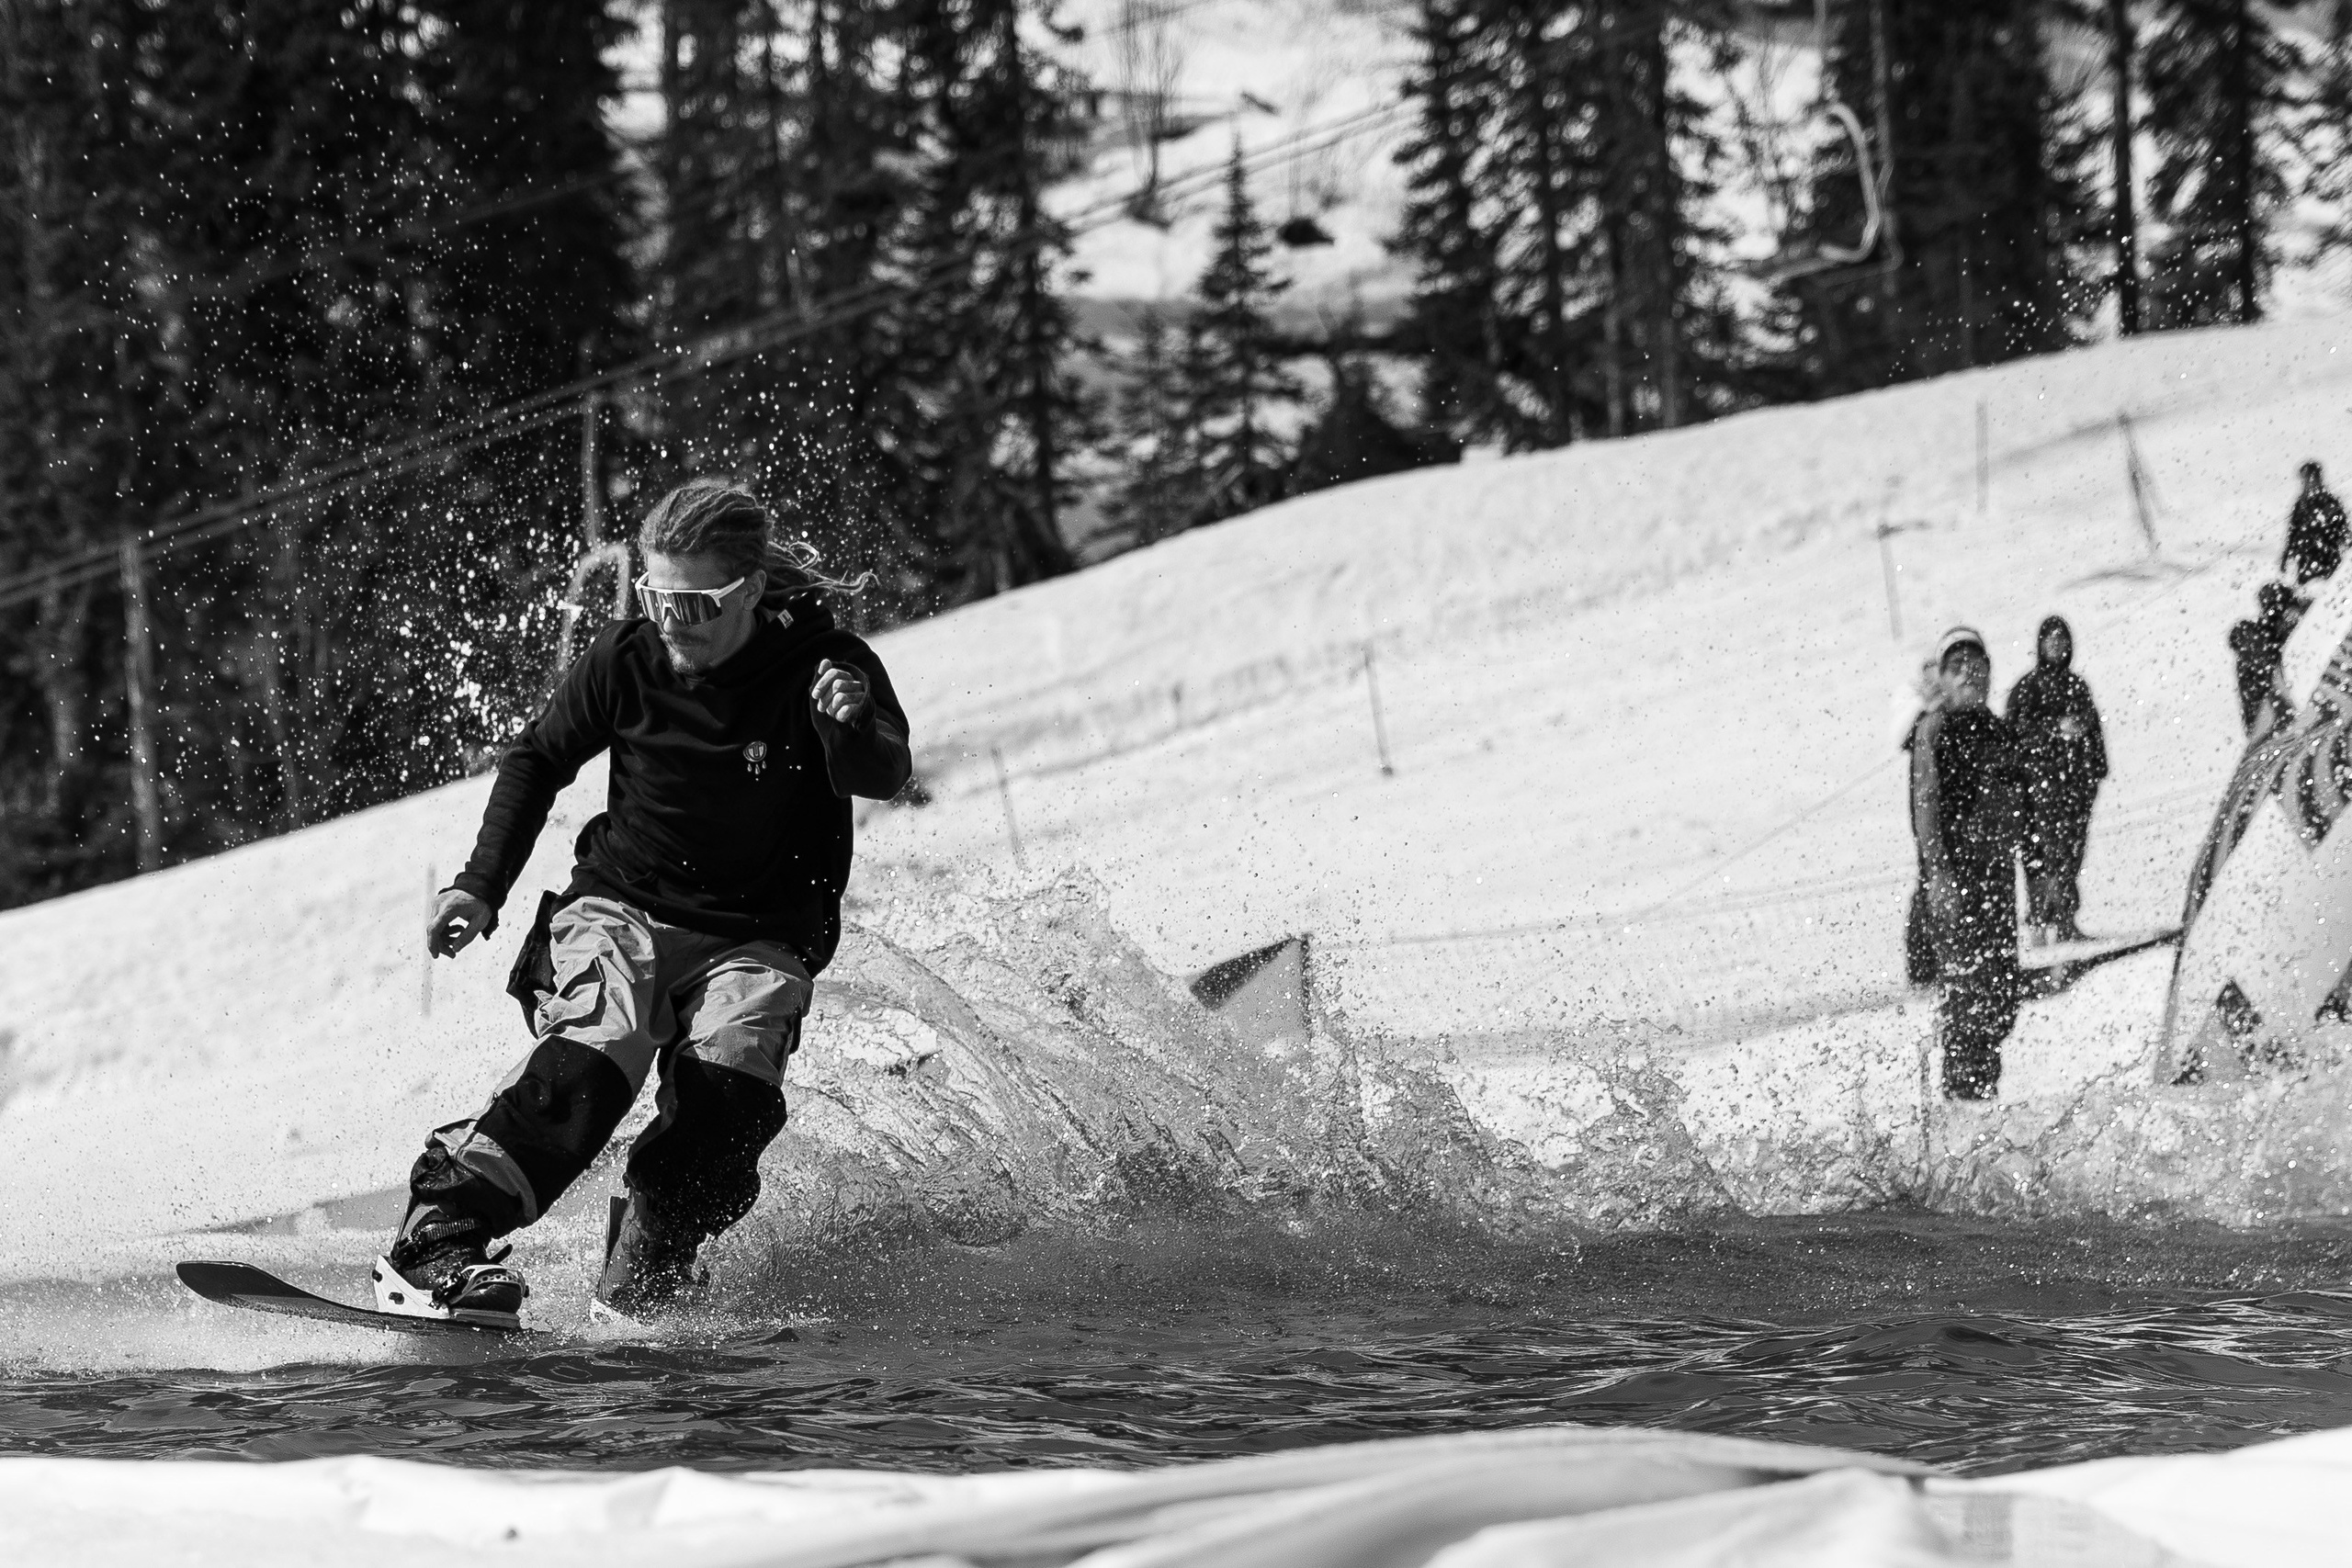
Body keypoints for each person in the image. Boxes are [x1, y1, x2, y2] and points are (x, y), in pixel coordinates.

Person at [388, 479, 912, 1322]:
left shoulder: (823, 665)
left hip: (758, 934)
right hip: (620, 906)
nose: (671, 621)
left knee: (729, 1090)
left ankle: (649, 1260)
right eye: (654, 595)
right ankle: (438, 1235)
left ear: (748, 590)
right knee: (601, 1049)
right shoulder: (626, 658)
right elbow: (537, 759)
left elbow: (883, 771)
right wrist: (480, 884)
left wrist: (846, 727)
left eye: (694, 604)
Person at [1911, 626, 2024, 1100]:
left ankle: (1983, 1087)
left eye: (1977, 667)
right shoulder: (1935, 729)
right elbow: (1925, 806)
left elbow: (2020, 805)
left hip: (1996, 878)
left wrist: (2037, 871)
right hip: (1955, 880)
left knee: (2001, 991)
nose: (1969, 676)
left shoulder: (1998, 730)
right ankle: (1961, 1091)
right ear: (1943, 678)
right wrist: (1938, 877)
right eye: (1958, 668)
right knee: (1965, 990)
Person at [2004, 615, 2108, 946]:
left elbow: (2093, 729)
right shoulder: (2028, 688)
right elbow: (2015, 734)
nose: (2057, 646)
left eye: (2062, 640)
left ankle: (2065, 921)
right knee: (2043, 856)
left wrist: (2095, 768)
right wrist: (2054, 729)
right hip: (2039, 789)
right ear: (2041, 645)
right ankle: (2041, 920)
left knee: (2071, 853)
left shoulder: (2077, 686)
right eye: (2051, 640)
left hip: (2076, 786)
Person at [1900, 658, 1947, 988]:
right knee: (1929, 883)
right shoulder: (1924, 722)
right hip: (1927, 816)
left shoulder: (1942, 720)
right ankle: (1922, 965)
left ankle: (1928, 963)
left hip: (1934, 813)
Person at [2228, 581, 2306, 737]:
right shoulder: (2258, 647)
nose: (2293, 620)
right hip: (2275, 718)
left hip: (2279, 713)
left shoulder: (2276, 631)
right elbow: (2252, 710)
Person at [2281, 461, 2346, 586]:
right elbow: (2293, 530)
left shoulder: (2328, 501)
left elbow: (2341, 527)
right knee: (2305, 584)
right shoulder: (2300, 504)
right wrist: (2286, 556)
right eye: (2304, 479)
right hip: (2305, 557)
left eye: (2310, 478)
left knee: (2321, 585)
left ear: (2318, 479)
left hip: (2326, 556)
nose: (2307, 483)